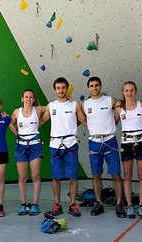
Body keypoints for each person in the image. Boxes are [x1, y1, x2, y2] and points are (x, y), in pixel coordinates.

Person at [40, 77, 87, 217]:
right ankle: (57, 204)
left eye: (63, 88)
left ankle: (73, 204)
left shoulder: (74, 105)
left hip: (71, 144)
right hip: (55, 145)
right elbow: (40, 121)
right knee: (56, 177)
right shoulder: (51, 106)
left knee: (73, 177)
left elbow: (84, 121)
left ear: (67, 88)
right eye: (58, 88)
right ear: (55, 90)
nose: (61, 90)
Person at [82, 76, 126, 218]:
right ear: (88, 88)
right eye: (91, 86)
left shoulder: (109, 100)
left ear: (100, 86)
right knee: (96, 175)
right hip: (94, 142)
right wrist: (92, 128)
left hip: (110, 140)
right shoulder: (85, 104)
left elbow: (120, 109)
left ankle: (119, 204)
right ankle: (98, 203)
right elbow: (81, 119)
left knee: (116, 174)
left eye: (96, 85)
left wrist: (113, 124)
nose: (94, 88)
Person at [115, 81, 142, 219]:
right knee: (128, 176)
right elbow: (111, 123)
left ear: (135, 91)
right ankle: (130, 206)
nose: (129, 93)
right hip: (126, 144)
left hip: (141, 142)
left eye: (131, 90)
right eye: (126, 90)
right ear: (122, 92)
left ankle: (141, 206)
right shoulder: (119, 109)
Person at [10, 89, 45, 216]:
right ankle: (23, 204)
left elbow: (53, 108)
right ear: (22, 98)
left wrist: (67, 99)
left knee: (35, 176)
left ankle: (35, 204)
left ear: (34, 99)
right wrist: (17, 134)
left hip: (35, 146)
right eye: (26, 97)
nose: (28, 99)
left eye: (31, 97)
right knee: (22, 177)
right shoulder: (16, 112)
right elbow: (8, 122)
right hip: (21, 147)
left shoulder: (39, 109)